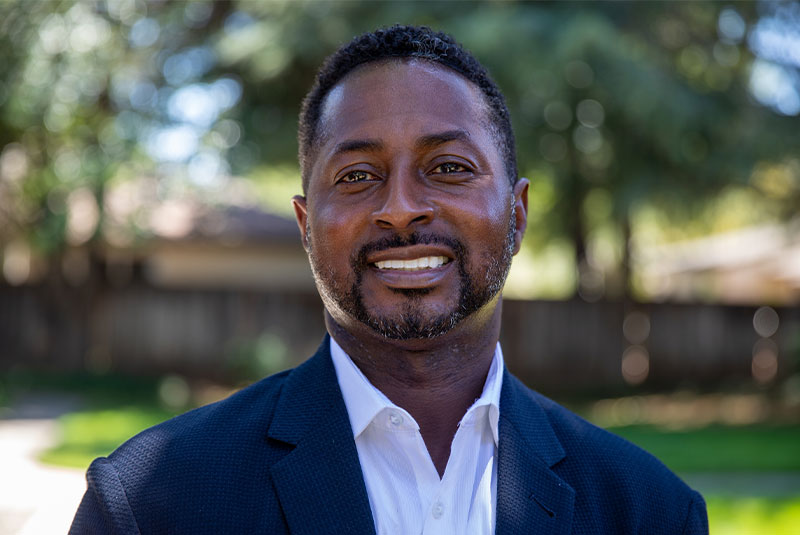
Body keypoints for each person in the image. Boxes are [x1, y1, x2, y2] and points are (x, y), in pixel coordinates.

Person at [70, 25, 708, 534]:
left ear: (516, 216)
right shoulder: (149, 505)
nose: (401, 207)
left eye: (450, 167)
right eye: (356, 176)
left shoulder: (649, 512)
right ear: (305, 225)